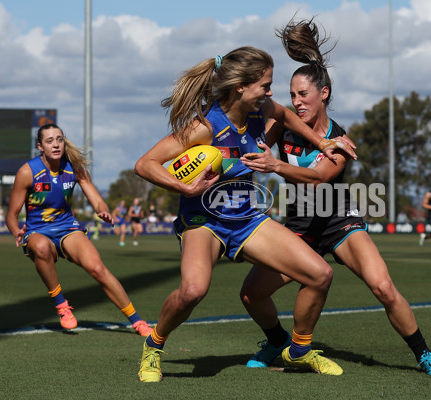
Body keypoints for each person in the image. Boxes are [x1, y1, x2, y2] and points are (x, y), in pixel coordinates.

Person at [238, 18, 431, 376]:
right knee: (251, 294)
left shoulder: (341, 140)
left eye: (303, 95)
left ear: (324, 94)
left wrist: (275, 166)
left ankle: (423, 353)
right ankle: (277, 341)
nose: (296, 102)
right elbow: (254, 150)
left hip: (340, 222)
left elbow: (319, 179)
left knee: (383, 287)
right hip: (300, 225)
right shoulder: (282, 125)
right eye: (291, 95)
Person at [134, 45, 357, 383]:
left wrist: (321, 142)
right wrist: (187, 189)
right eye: (265, 85)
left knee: (320, 274)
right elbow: (145, 164)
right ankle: (154, 344)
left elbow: (284, 115)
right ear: (241, 86)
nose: (270, 93)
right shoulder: (204, 127)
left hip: (246, 219)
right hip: (203, 221)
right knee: (193, 291)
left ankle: (297, 350)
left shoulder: (260, 108)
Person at [5, 124, 152, 336]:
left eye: (59, 139)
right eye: (49, 141)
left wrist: (103, 211)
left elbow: (97, 200)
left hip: (67, 228)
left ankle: (137, 322)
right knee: (41, 247)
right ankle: (62, 306)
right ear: (40, 146)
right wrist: (16, 231)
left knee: (98, 269)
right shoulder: (27, 172)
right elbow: (12, 215)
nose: (56, 144)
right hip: (37, 231)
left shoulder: (74, 167)